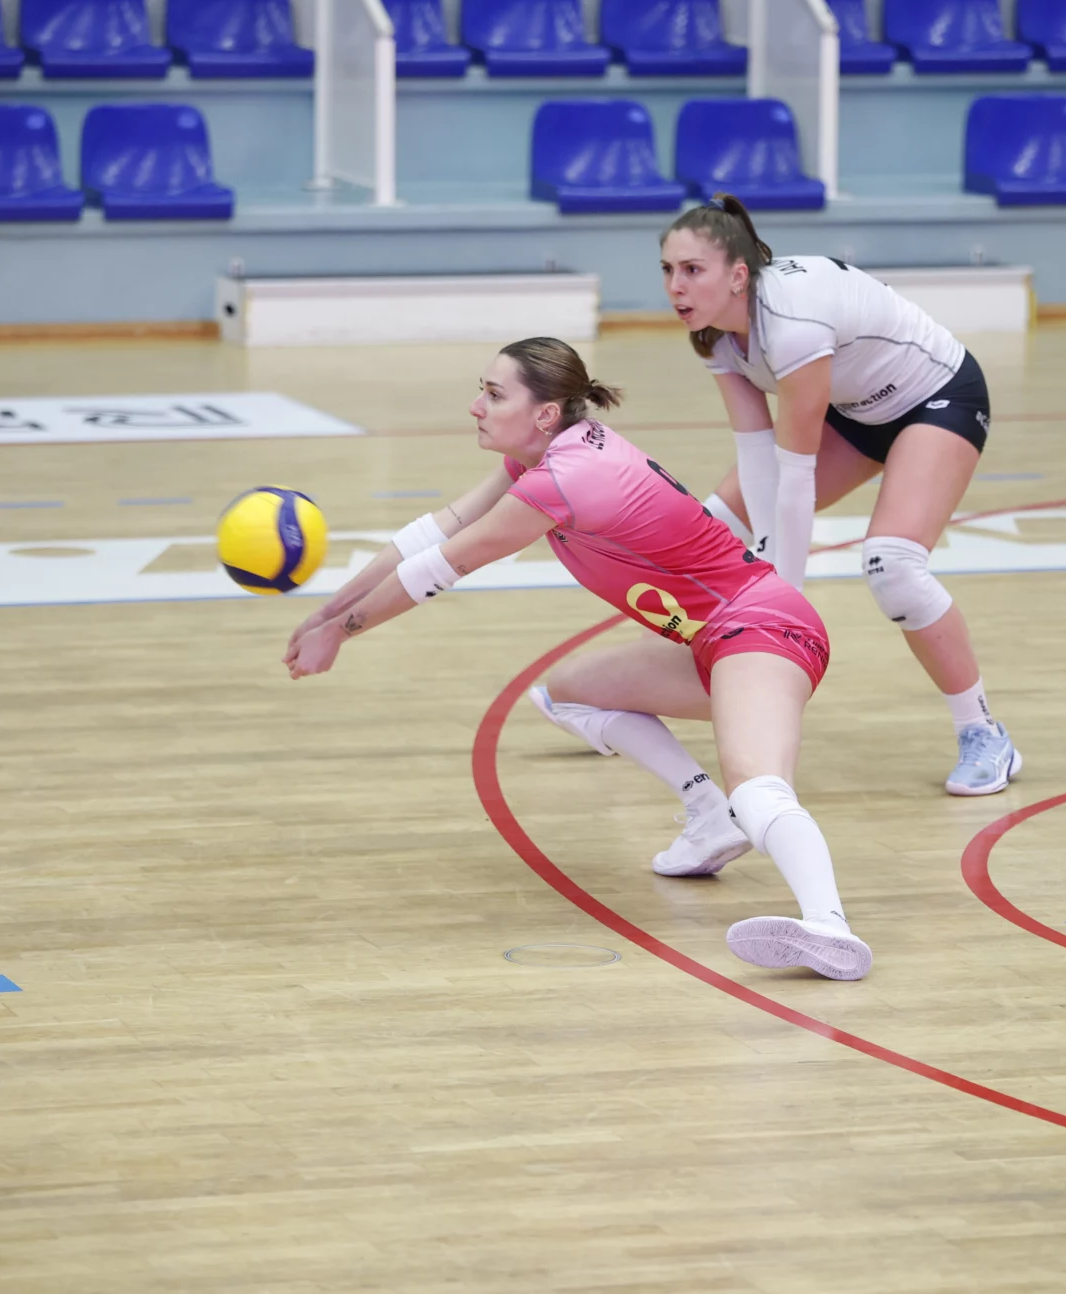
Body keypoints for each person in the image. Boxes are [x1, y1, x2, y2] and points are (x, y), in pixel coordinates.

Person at [285, 336, 873, 981]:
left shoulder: (566, 477)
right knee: (569, 691)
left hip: (765, 630)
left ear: (544, 412)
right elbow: (433, 532)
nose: (476, 406)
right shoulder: (544, 456)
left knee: (759, 785)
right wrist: (324, 615)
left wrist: (341, 633)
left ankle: (829, 927)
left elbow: (442, 566)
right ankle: (707, 815)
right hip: (711, 639)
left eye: (493, 393)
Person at [656, 194, 1020, 796]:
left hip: (938, 399)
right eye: (668, 270)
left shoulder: (792, 322)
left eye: (692, 270)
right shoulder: (716, 334)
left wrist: (782, 615)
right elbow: (757, 461)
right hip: (856, 410)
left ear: (738, 275)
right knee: (714, 525)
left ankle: (983, 733)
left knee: (893, 566)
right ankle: (639, 687)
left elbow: (793, 477)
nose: (676, 286)